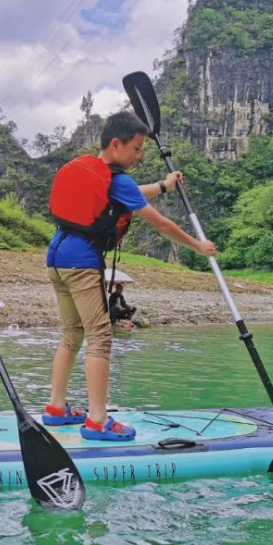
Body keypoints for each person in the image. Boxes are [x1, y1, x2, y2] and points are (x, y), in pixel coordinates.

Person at [44, 111, 217, 441]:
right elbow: (159, 223)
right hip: (82, 263)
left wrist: (164, 187)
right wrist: (197, 245)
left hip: (56, 258)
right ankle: (97, 421)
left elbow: (129, 192)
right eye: (137, 149)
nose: (139, 156)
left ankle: (56, 407)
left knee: (72, 333)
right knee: (100, 337)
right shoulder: (116, 180)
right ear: (116, 144)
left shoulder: (97, 174)